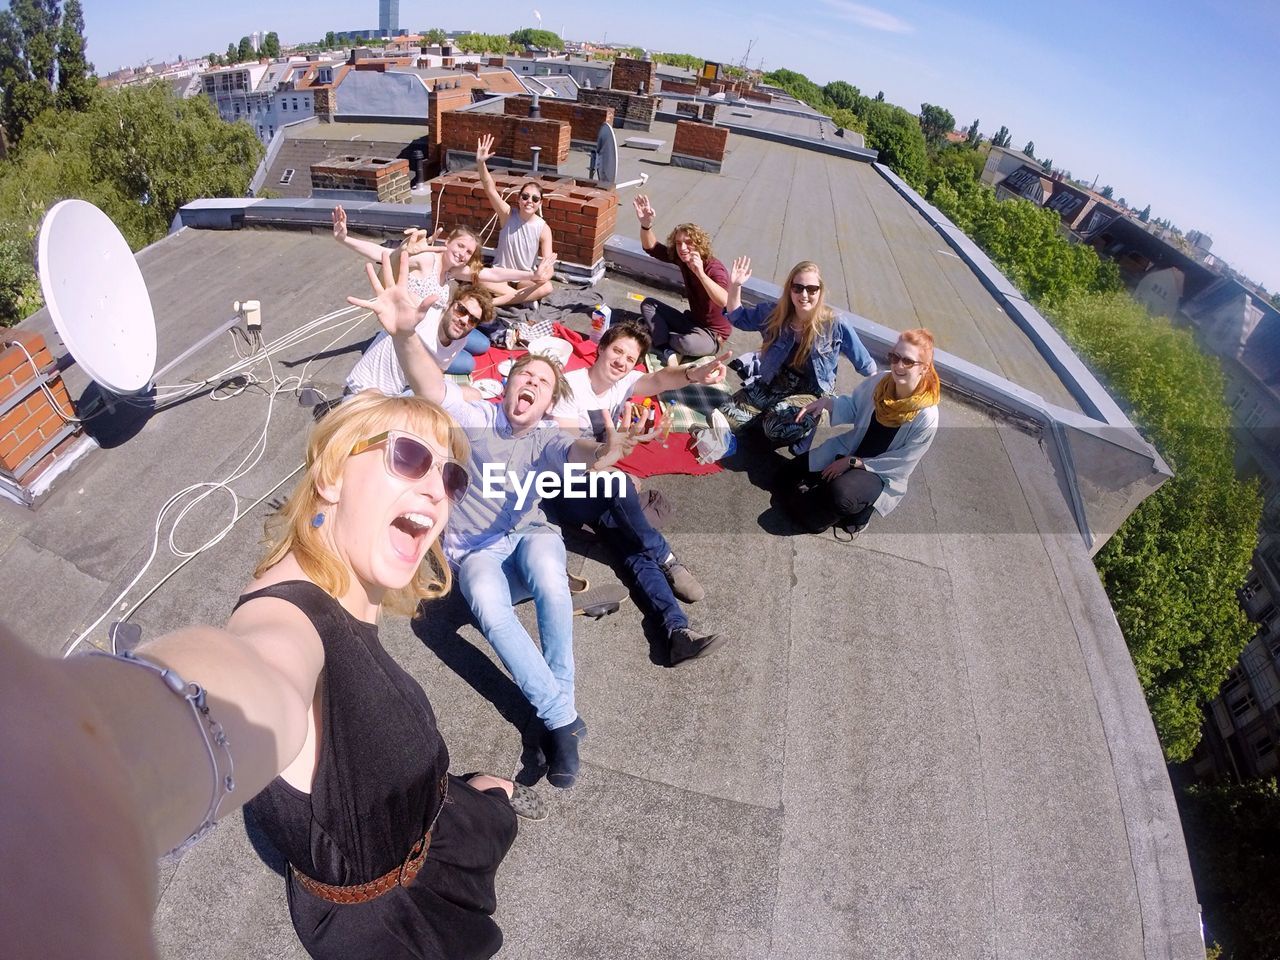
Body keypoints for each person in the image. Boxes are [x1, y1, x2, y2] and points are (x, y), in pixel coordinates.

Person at [1, 391, 537, 960]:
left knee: (490, 800)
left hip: (434, 824)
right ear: (331, 474)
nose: (437, 487)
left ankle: (480, 798)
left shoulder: (342, 584)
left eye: (452, 477)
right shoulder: (287, 622)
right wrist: (75, 775)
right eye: (408, 456)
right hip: (400, 924)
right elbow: (253, 676)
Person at [355, 250, 644, 789]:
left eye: (541, 383)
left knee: (552, 585)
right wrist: (402, 336)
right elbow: (431, 386)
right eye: (523, 376)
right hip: (475, 552)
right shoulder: (478, 414)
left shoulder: (548, 436)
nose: (530, 384)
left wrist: (604, 448)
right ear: (507, 386)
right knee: (488, 604)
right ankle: (561, 719)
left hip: (530, 532)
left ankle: (555, 716)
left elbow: (580, 451)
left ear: (546, 403)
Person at [548, 319, 733, 665]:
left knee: (634, 550)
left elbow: (661, 379)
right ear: (600, 348)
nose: (621, 361)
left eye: (629, 358)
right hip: (562, 490)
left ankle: (677, 633)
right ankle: (669, 559)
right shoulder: (569, 389)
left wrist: (694, 375)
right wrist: (610, 462)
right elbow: (570, 455)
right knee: (618, 487)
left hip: (598, 487)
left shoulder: (625, 383)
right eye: (616, 350)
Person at [779, 328, 941, 539]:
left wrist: (852, 463)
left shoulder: (927, 416)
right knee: (782, 477)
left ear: (924, 368)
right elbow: (854, 406)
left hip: (880, 473)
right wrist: (827, 403)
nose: (898, 366)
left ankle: (860, 514)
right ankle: (826, 493)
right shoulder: (881, 382)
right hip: (852, 449)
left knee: (835, 498)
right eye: (895, 357)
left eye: (908, 361)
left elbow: (902, 462)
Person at [720, 256, 878, 451]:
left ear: (820, 291)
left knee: (774, 428)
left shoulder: (835, 324)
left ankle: (810, 422)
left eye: (811, 289)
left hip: (811, 391)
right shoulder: (775, 313)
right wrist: (735, 286)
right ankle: (769, 412)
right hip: (775, 382)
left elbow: (866, 365)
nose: (804, 294)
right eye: (798, 288)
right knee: (725, 416)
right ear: (790, 289)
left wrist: (877, 399)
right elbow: (738, 318)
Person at [333, 205, 491, 375]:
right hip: (412, 333)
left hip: (435, 327)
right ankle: (381, 343)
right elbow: (383, 253)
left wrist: (524, 275)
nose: (462, 254)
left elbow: (494, 274)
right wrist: (344, 239)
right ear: (447, 241)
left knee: (483, 344)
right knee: (467, 363)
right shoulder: (426, 259)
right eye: (460, 246)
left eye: (468, 252)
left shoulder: (451, 270)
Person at [346, 284, 496, 400]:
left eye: (473, 320)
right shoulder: (420, 317)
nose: (464, 320)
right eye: (461, 310)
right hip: (361, 393)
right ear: (449, 304)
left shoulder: (460, 340)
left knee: (473, 394)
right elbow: (399, 295)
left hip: (400, 394)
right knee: (374, 397)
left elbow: (437, 374)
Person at [632, 194, 731, 359]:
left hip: (712, 335)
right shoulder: (683, 259)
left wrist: (700, 273)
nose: (683, 248)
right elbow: (652, 248)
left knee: (687, 344)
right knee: (649, 304)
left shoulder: (714, 268)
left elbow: (724, 301)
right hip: (691, 322)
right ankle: (664, 344)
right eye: (678, 243)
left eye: (689, 242)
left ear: (700, 244)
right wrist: (646, 226)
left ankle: (656, 335)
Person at [474, 134, 556, 313]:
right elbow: (490, 189)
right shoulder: (507, 214)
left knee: (547, 286)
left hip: (524, 277)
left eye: (535, 199)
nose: (529, 201)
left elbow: (548, 264)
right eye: (525, 197)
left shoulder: (543, 228)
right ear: (518, 199)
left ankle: (496, 302)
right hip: (500, 274)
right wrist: (481, 163)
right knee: (478, 277)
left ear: (540, 203)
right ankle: (520, 299)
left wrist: (544, 274)